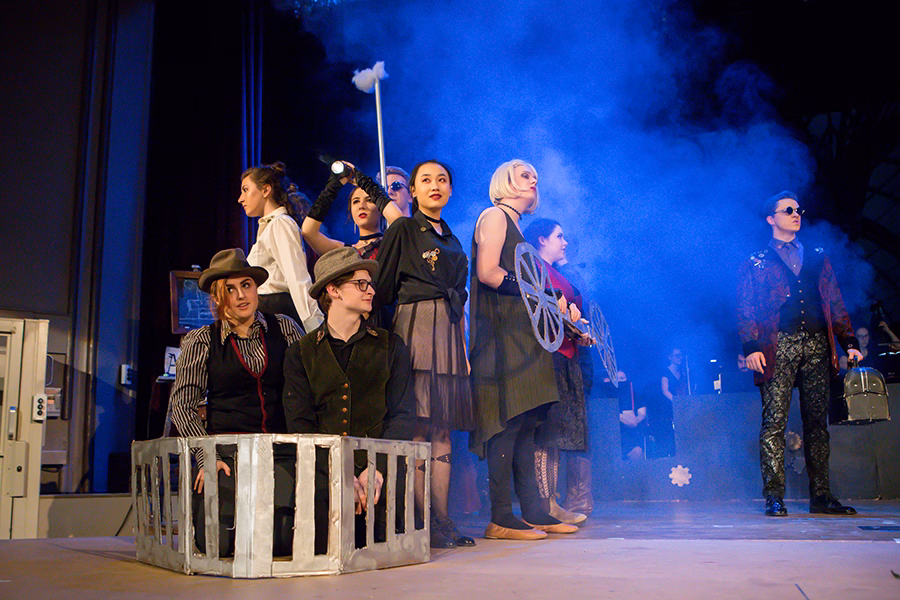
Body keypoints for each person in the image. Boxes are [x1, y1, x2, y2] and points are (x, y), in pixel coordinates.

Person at [169, 248, 305, 556]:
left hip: (280, 450)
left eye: (246, 285)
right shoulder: (201, 340)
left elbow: (307, 390)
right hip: (227, 455)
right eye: (230, 289)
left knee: (284, 541)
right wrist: (206, 456)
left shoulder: (284, 328)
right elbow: (182, 405)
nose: (241, 295)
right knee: (222, 542)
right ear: (217, 298)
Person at [282, 246, 416, 553]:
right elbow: (300, 426)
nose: (370, 290)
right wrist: (340, 477)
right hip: (322, 475)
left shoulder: (390, 346)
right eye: (361, 283)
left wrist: (376, 467)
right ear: (333, 290)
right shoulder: (300, 353)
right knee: (324, 547)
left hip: (379, 475)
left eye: (369, 283)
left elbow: (402, 415)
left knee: (384, 548)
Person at [469, 159, 576, 540]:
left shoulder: (514, 225)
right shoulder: (494, 216)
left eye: (535, 176)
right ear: (505, 181)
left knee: (528, 422)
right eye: (525, 175)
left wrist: (549, 300)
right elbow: (488, 272)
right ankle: (500, 516)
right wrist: (542, 292)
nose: (533, 181)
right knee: (508, 422)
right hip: (502, 335)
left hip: (522, 333)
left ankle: (532, 511)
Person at [737, 190, 862, 517]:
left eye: (798, 210)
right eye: (787, 210)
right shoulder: (756, 261)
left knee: (817, 423)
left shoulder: (818, 255)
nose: (796, 214)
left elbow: (834, 300)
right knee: (774, 423)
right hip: (778, 343)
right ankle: (774, 496)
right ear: (771, 218)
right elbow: (746, 306)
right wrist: (750, 346)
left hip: (818, 344)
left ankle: (821, 495)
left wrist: (849, 342)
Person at [374, 160, 477, 548]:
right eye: (426, 180)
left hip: (449, 334)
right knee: (417, 427)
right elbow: (383, 287)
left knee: (442, 430)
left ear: (450, 190)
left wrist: (463, 348)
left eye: (443, 180)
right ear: (413, 191)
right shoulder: (403, 228)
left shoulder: (452, 237)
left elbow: (461, 299)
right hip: (415, 329)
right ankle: (419, 521)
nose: (436, 185)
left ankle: (443, 519)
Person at [524, 218, 593, 525]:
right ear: (541, 239)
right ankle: (544, 503)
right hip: (546, 356)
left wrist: (579, 329)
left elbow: (569, 313)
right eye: (559, 236)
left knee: (555, 436)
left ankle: (551, 503)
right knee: (545, 433)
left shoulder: (558, 273)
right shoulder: (534, 269)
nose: (565, 242)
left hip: (566, 355)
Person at [240, 161, 323, 333]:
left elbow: (297, 279)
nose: (241, 198)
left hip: (276, 314)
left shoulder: (281, 224)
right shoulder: (270, 226)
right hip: (266, 314)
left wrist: (315, 328)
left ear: (265, 190)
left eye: (246, 190)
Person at [302, 163, 402, 261]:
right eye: (356, 202)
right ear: (351, 211)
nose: (361, 206)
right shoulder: (345, 252)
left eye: (369, 200)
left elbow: (400, 222)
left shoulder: (393, 243)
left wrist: (365, 182)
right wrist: (332, 187)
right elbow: (308, 231)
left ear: (381, 208)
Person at [646, 346, 684, 458]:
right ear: (670, 357)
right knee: (666, 437)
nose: (680, 358)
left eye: (681, 355)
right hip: (665, 409)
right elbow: (665, 391)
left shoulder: (683, 372)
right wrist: (677, 402)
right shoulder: (665, 372)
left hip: (678, 408)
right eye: (677, 355)